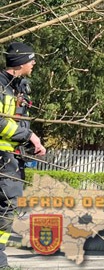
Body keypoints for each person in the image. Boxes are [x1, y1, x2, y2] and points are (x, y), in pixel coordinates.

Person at [0, 42, 46, 267]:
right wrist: (29, 136)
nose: (34, 63)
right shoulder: (1, 87)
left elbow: (17, 120)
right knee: (6, 205)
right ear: (19, 63)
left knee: (8, 206)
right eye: (30, 59)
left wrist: (28, 140)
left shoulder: (17, 86)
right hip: (3, 157)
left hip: (12, 157)